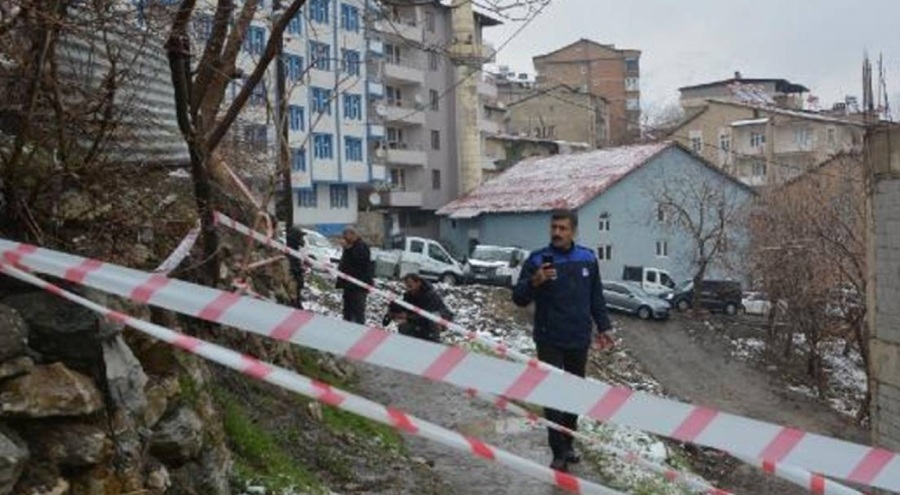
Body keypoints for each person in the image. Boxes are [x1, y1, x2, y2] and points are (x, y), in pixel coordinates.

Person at [512, 209, 614, 473]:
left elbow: (596, 298)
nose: (557, 233)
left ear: (573, 231)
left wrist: (604, 326)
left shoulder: (588, 259)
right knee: (553, 394)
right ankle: (557, 451)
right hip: (549, 339)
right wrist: (535, 280)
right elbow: (519, 297)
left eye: (563, 228)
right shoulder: (536, 260)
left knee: (574, 395)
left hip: (578, 338)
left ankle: (569, 443)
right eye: (554, 227)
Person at [382, 273, 454, 342]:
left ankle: (433, 342)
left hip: (435, 319)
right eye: (407, 286)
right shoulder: (408, 295)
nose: (408, 288)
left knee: (432, 322)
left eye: (410, 286)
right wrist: (392, 309)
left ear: (418, 283)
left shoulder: (430, 295)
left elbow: (427, 315)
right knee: (404, 327)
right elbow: (405, 307)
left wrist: (408, 318)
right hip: (418, 319)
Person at [337, 226, 373, 324]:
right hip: (348, 285)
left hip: (358, 285)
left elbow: (360, 262)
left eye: (346, 235)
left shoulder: (361, 246)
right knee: (347, 311)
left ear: (353, 234)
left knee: (358, 312)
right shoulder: (350, 247)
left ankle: (359, 332)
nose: (343, 238)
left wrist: (349, 249)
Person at [285, 226, 306, 309]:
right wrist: (300, 270)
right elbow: (292, 270)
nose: (302, 240)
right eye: (300, 237)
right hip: (293, 287)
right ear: (295, 239)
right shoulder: (290, 252)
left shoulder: (295, 251)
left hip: (297, 287)